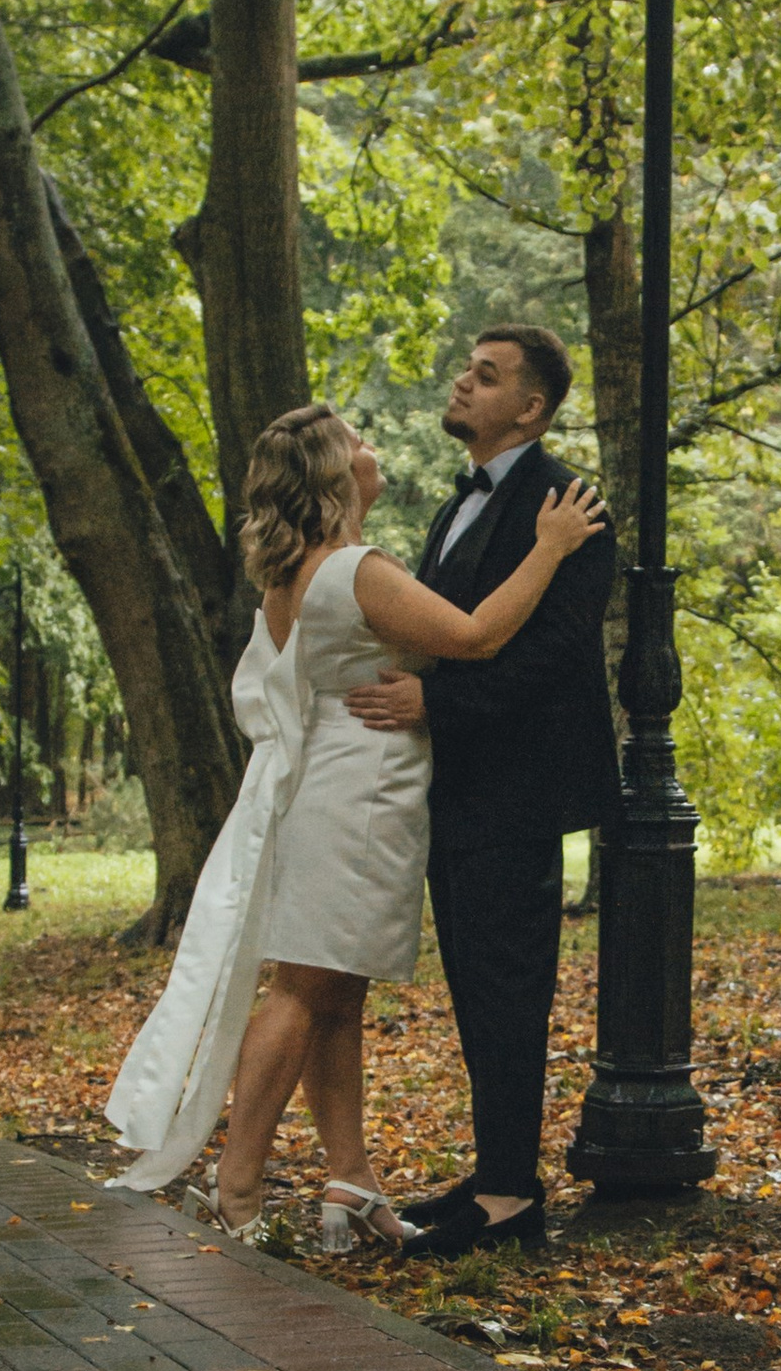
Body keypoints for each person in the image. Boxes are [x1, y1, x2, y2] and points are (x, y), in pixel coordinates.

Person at [103, 398, 604, 1246]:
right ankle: (238, 1186)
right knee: (304, 991)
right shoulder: (355, 570)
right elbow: (478, 637)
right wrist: (550, 547)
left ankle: (351, 1179)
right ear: (336, 474)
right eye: (358, 442)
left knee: (334, 995)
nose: (373, 448)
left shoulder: (290, 574)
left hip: (330, 785)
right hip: (359, 797)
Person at [342, 324, 620, 1257]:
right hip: (454, 788)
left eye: (486, 376)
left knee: (508, 987)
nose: (463, 382)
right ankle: (497, 1173)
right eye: (466, 368)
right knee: (475, 987)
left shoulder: (570, 503)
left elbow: (552, 658)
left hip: (519, 789)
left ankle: (511, 1201)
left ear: (531, 408)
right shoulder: (455, 507)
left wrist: (436, 699)